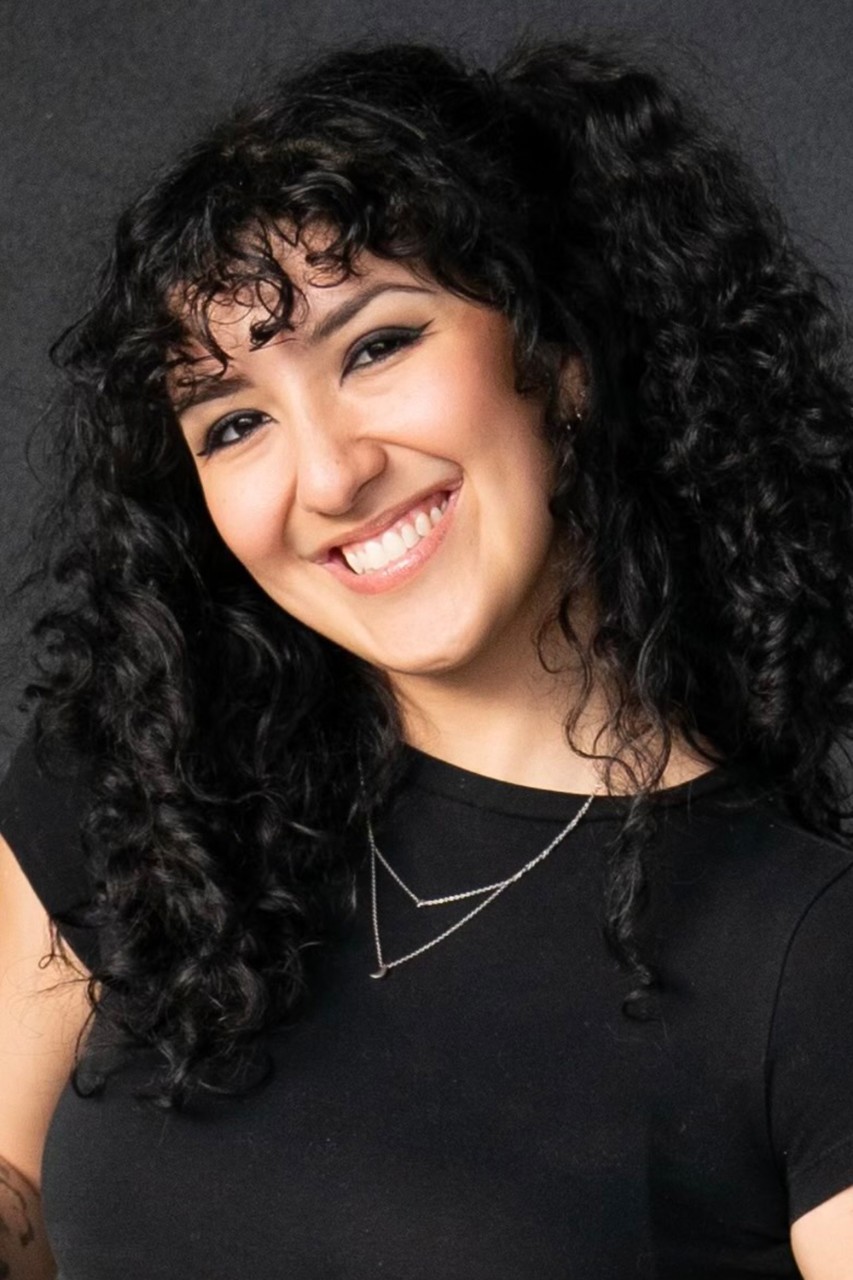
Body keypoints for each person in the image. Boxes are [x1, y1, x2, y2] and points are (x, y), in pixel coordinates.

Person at [1, 34, 852, 1280]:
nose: (331, 474)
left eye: (377, 345)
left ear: (559, 356)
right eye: (235, 422)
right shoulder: (143, 785)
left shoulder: (806, 950)